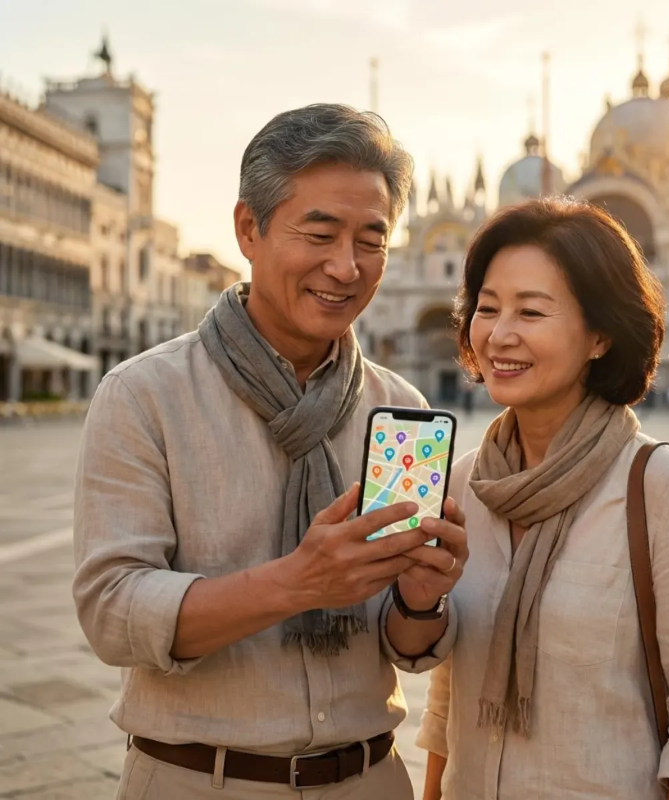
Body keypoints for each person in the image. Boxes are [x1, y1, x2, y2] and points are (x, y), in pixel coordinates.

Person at [73, 104, 468, 800]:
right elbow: (112, 612)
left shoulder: (398, 408)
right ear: (248, 230)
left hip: (370, 778)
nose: (346, 267)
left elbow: (405, 648)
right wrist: (298, 582)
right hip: (199, 780)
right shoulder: (145, 396)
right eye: (319, 233)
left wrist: (421, 599)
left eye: (371, 240)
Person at [416, 198, 669, 800]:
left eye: (532, 311)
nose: (500, 334)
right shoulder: (465, 482)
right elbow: (448, 696)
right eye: (487, 309)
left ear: (599, 335)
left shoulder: (663, 489)